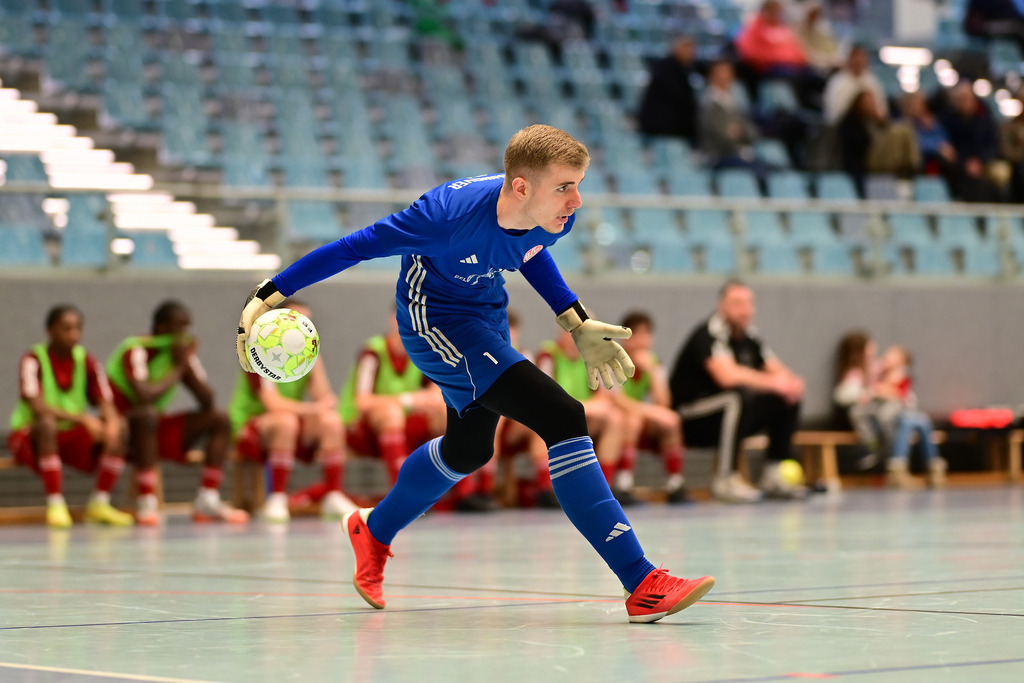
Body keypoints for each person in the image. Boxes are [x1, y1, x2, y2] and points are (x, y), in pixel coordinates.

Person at [236, 124, 715, 623]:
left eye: (578, 185)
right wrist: (266, 296)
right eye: (564, 187)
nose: (576, 201)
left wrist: (574, 319)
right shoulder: (443, 217)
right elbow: (354, 246)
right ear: (522, 187)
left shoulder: (553, 216)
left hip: (487, 318)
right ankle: (641, 581)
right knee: (563, 415)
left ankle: (372, 530)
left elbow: (529, 252)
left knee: (469, 450)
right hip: (434, 324)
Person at [108, 300, 248, 526]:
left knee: (219, 418)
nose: (185, 333)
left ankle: (208, 498)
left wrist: (186, 365)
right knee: (146, 415)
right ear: (162, 327)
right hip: (127, 431)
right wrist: (179, 368)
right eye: (179, 327)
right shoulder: (136, 349)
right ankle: (146, 502)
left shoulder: (181, 354)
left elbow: (207, 400)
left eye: (187, 327)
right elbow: (145, 397)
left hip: (156, 429)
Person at [669, 280, 806, 503]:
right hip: (692, 418)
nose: (745, 310)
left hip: (731, 415)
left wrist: (791, 383)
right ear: (721, 306)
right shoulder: (710, 333)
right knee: (735, 398)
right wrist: (775, 382)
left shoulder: (750, 336)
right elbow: (726, 376)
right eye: (737, 303)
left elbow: (776, 369)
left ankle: (774, 474)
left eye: (749, 303)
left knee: (786, 398)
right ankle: (725, 480)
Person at [8, 305, 134, 528]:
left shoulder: (86, 360)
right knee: (46, 424)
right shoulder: (33, 359)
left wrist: (112, 423)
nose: (73, 334)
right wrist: (82, 419)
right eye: (66, 328)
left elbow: (105, 400)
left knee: (120, 427)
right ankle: (55, 504)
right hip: (31, 436)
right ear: (50, 330)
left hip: (68, 436)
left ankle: (100, 503)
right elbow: (38, 407)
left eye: (77, 329)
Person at [230, 301, 356, 523]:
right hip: (253, 423)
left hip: (291, 420)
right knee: (285, 421)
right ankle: (277, 497)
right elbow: (272, 403)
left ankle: (333, 494)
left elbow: (324, 398)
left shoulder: (305, 353)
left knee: (331, 421)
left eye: (308, 322)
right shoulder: (259, 350)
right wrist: (314, 408)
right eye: (297, 319)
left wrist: (314, 361)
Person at [337, 308, 447, 488]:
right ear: (394, 319)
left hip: (402, 424)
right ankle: (403, 488)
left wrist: (430, 398)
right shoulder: (373, 352)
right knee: (391, 413)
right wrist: (409, 399)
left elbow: (436, 394)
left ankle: (463, 492)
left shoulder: (423, 352)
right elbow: (363, 401)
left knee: (447, 412)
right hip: (362, 428)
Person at [536, 325, 634, 506]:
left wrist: (578, 409)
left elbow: (605, 400)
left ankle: (603, 488)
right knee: (542, 419)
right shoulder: (548, 356)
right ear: (562, 332)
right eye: (573, 331)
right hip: (555, 415)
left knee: (616, 419)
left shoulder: (594, 356)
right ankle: (547, 490)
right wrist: (578, 408)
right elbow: (544, 399)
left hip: (581, 415)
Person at [833, 333, 946, 488]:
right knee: (909, 422)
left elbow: (901, 395)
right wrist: (875, 391)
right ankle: (898, 470)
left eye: (892, 357)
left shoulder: (899, 375)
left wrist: (884, 390)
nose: (885, 358)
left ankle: (933, 469)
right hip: (888, 419)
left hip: (900, 413)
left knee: (921, 421)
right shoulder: (874, 373)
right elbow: (859, 394)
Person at [610, 311, 690, 505]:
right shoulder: (612, 360)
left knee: (670, 421)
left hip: (641, 418)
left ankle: (675, 484)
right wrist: (652, 412)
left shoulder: (654, 363)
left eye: (646, 335)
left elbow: (664, 403)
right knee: (633, 420)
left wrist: (652, 372)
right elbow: (618, 401)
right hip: (621, 420)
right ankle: (623, 483)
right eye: (636, 335)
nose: (642, 341)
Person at [837, 90, 920, 196]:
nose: (870, 105)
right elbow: (859, 145)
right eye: (866, 102)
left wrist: (881, 121)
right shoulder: (851, 123)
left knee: (904, 130)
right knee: (900, 132)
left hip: (881, 165)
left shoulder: (877, 122)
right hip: (862, 164)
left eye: (872, 102)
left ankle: (906, 169)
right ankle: (903, 169)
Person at [698, 60, 763, 172]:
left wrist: (740, 132)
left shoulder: (734, 101)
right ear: (712, 76)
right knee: (758, 171)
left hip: (739, 155)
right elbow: (721, 135)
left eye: (728, 73)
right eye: (721, 72)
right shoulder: (708, 103)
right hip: (718, 157)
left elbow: (752, 132)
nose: (726, 77)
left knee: (776, 170)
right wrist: (737, 134)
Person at [637, 36, 701, 145]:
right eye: (687, 49)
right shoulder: (667, 70)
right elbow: (680, 100)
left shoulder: (680, 69)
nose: (691, 53)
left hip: (665, 127)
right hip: (662, 129)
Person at [822, 45, 887, 126]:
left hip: (871, 124)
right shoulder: (838, 82)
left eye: (861, 59)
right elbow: (835, 114)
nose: (858, 62)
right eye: (856, 60)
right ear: (849, 60)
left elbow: (882, 109)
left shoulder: (872, 81)